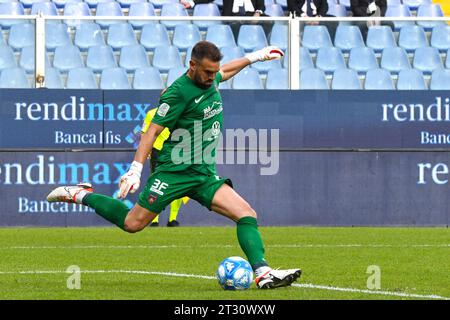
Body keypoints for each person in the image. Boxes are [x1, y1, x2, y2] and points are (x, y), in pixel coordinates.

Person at [47, 41, 301, 289]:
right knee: (132, 224)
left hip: (203, 175)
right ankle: (80, 194)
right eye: (208, 72)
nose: (213, 77)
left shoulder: (210, 78)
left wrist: (257, 56)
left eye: (215, 71)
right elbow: (152, 131)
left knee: (247, 215)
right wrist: (136, 168)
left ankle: (263, 272)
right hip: (173, 173)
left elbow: (227, 72)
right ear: (192, 65)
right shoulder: (178, 92)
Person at [141, 107, 189, 227]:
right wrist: (145, 150)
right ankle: (154, 219)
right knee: (156, 183)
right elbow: (145, 133)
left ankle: (172, 218)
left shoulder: (179, 111)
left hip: (176, 150)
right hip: (157, 150)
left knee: (178, 183)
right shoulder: (151, 113)